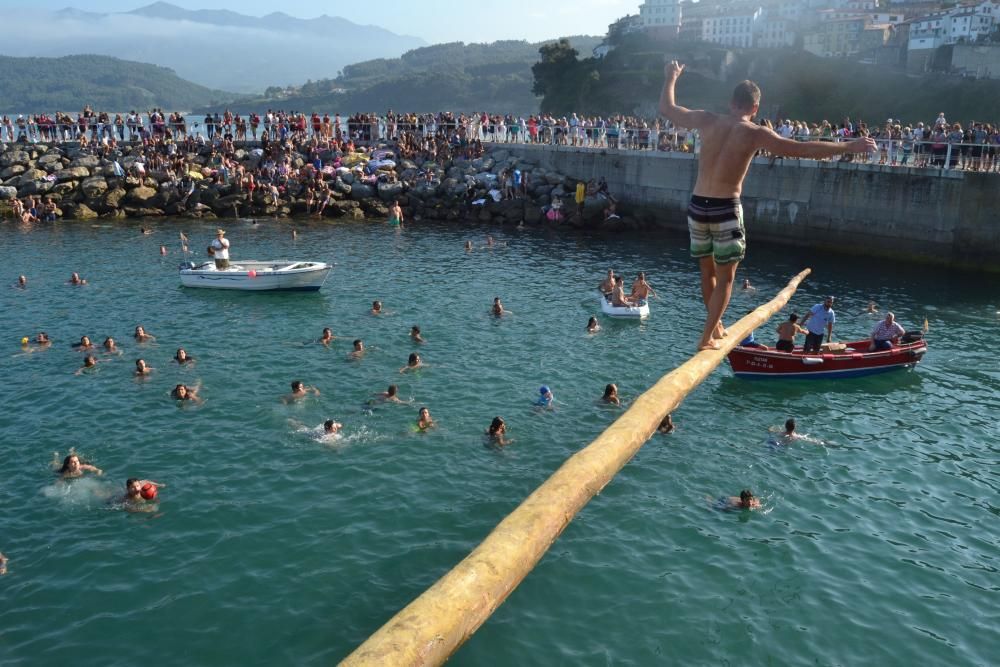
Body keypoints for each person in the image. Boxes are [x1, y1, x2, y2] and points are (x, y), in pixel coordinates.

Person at [659, 61, 874, 351]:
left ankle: (716, 325)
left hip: (698, 205)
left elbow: (669, 109)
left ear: (730, 103)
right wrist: (848, 147)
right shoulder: (755, 133)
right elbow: (802, 149)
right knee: (727, 278)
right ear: (755, 109)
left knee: (706, 272)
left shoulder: (708, 119)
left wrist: (671, 77)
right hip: (725, 207)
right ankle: (706, 336)